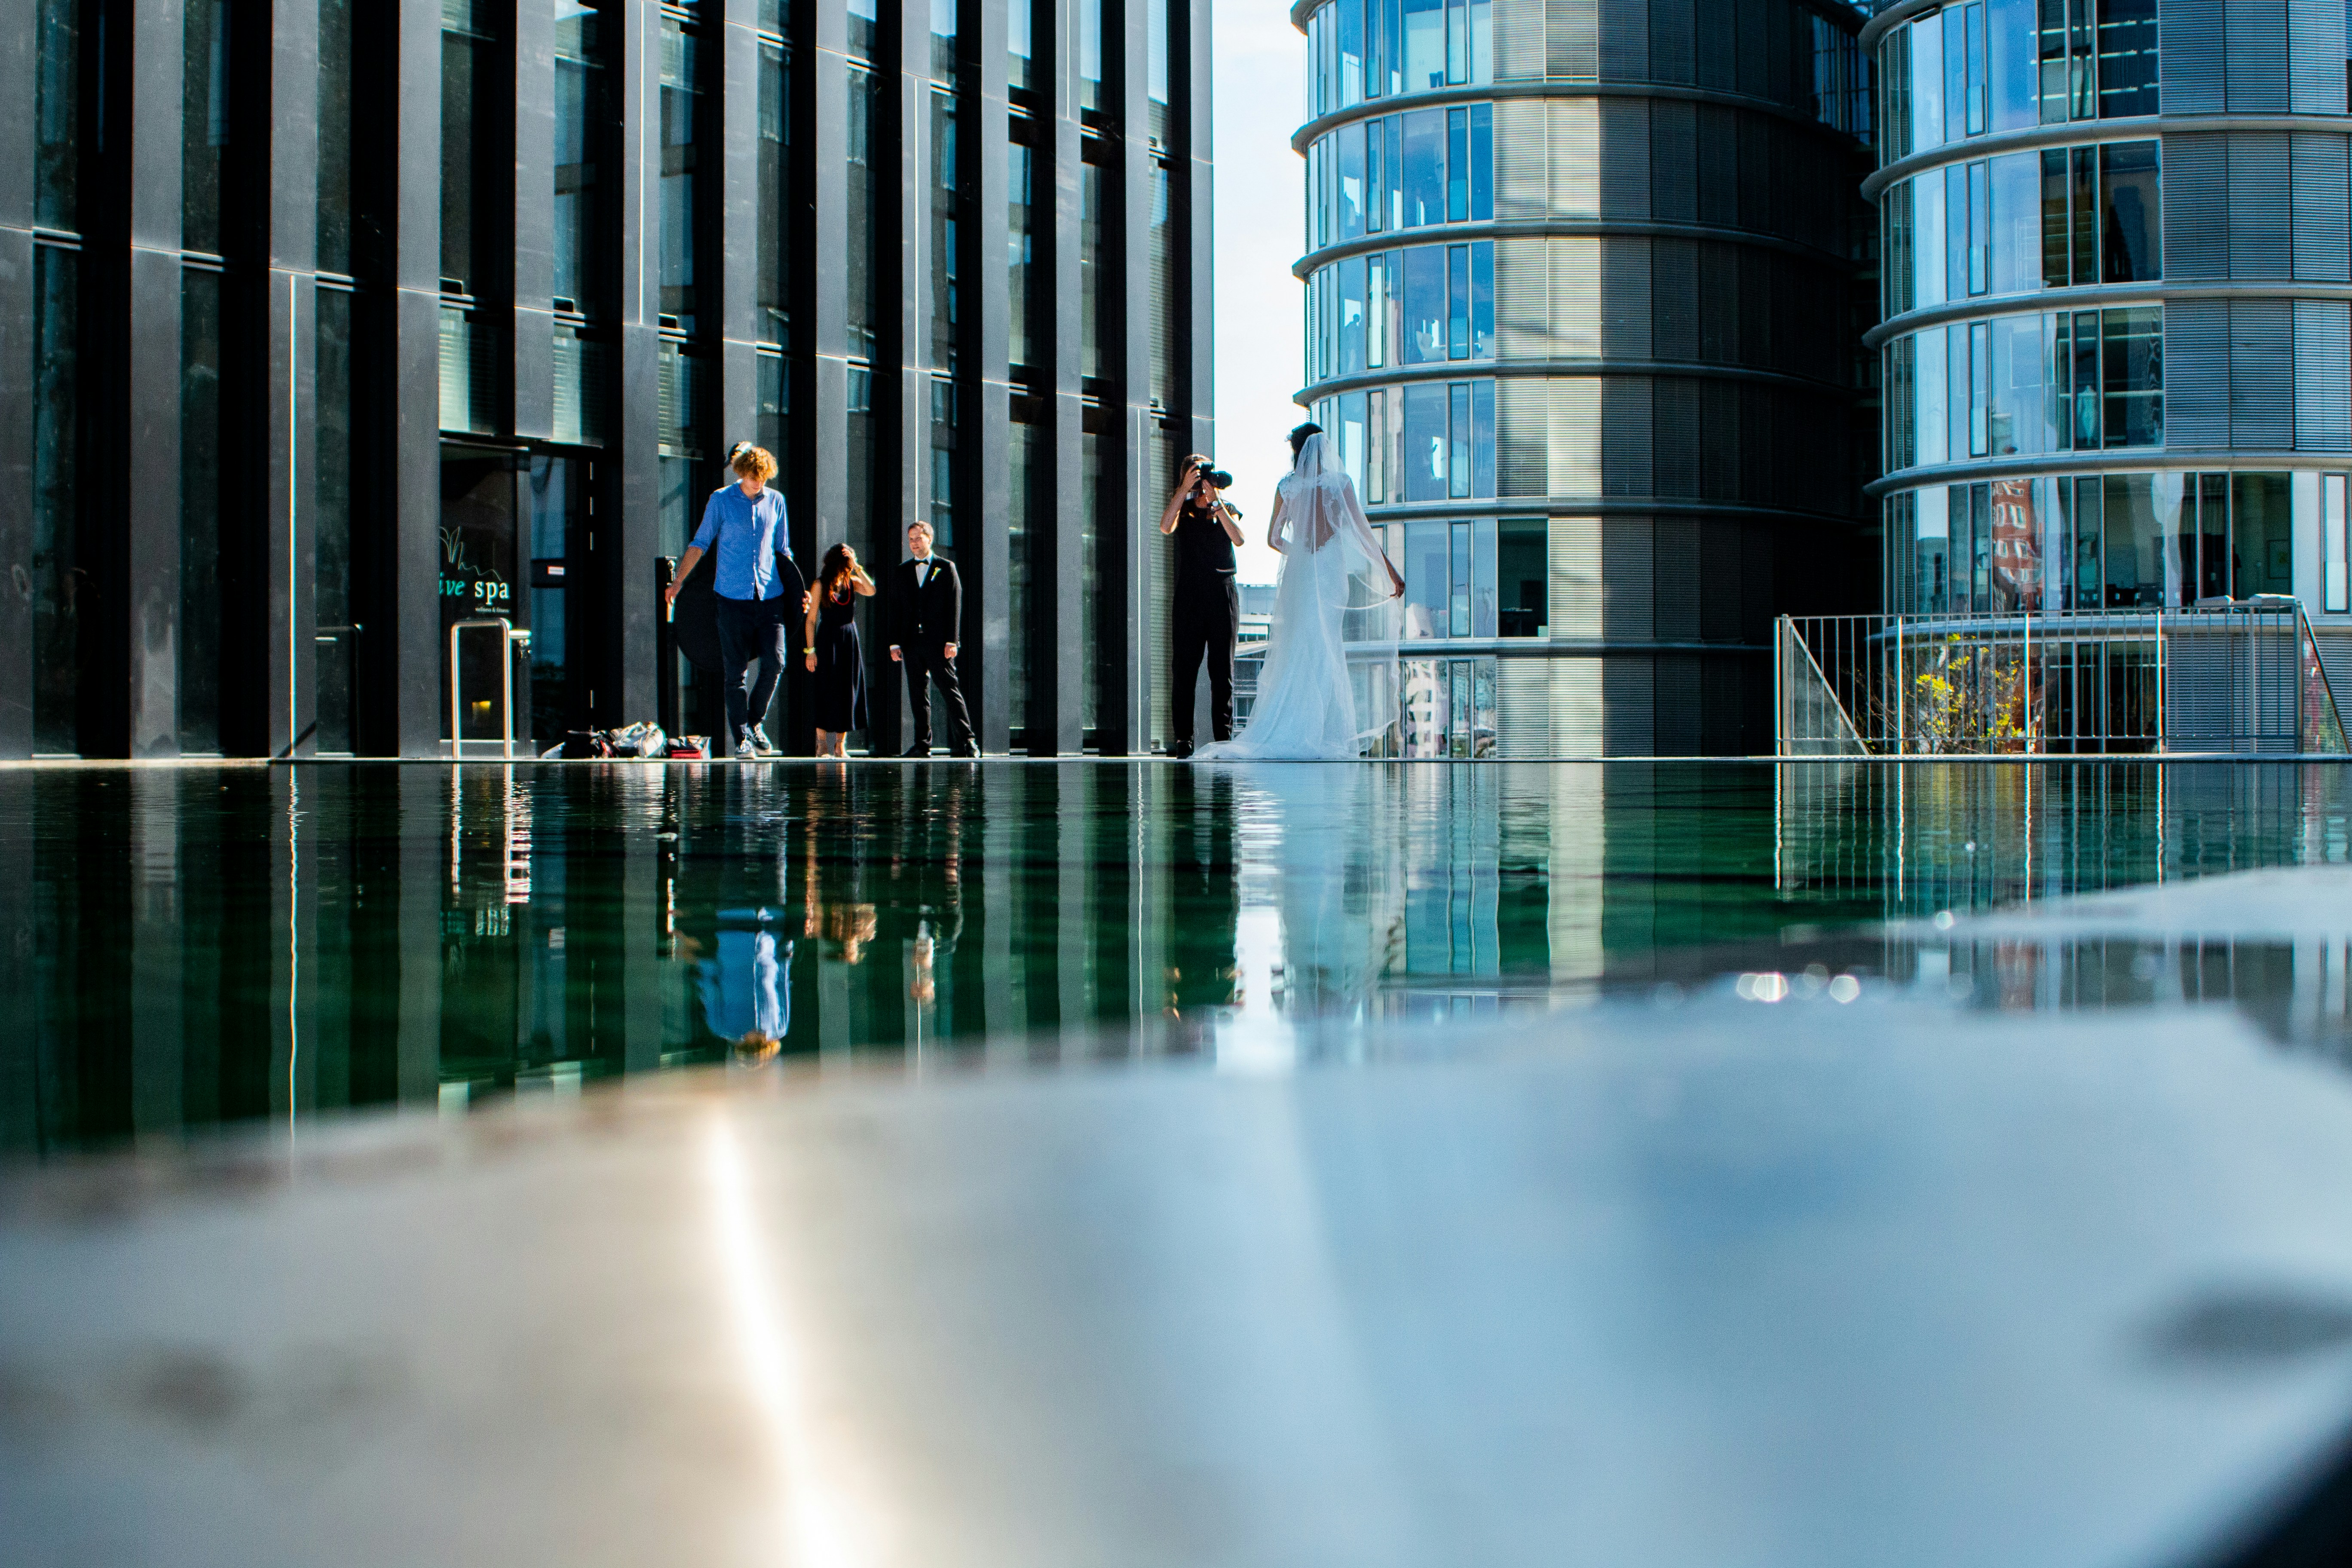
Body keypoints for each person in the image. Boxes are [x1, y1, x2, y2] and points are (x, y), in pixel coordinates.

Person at [1194, 423, 1405, 762]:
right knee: (1327, 644)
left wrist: (1303, 555)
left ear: (1296, 450)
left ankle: (1295, 728)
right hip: (1332, 572)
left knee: (1300, 646)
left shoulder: (1287, 487)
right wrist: (1390, 571)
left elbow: (1274, 539)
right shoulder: (1340, 484)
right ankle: (1321, 732)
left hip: (1302, 572)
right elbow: (1363, 534)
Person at [664, 443, 807, 760]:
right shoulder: (721, 500)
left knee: (776, 663)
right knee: (736, 673)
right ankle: (741, 738)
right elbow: (700, 543)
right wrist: (678, 582)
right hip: (731, 599)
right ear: (742, 473)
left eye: (764, 479)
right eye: (754, 477)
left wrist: (799, 592)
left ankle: (755, 722)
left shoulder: (777, 501)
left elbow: (784, 552)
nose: (759, 484)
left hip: (770, 597)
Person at [1158, 454, 1246, 759]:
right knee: (1184, 669)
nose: (1202, 479)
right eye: (1196, 474)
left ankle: (1223, 740)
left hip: (1222, 593)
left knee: (1222, 672)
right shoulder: (1181, 510)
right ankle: (1184, 740)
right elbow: (1165, 527)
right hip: (1190, 597)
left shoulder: (1224, 508)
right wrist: (1184, 490)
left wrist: (1216, 502)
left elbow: (1240, 538)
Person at [886, 521, 977, 758]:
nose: (914, 544)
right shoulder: (902, 570)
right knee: (918, 694)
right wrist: (895, 643)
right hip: (911, 642)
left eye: (918, 538)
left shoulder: (946, 568)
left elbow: (954, 606)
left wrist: (952, 641)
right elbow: (895, 608)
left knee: (950, 691)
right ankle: (922, 744)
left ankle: (968, 742)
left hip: (938, 643)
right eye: (911, 540)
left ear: (929, 539)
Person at [805, 543, 874, 757]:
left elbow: (871, 590)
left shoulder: (852, 582)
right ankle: (822, 743)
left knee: (847, 689)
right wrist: (810, 651)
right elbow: (811, 620)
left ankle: (840, 744)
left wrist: (858, 566)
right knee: (825, 687)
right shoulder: (820, 584)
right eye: (847, 563)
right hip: (827, 639)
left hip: (848, 639)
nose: (849, 567)